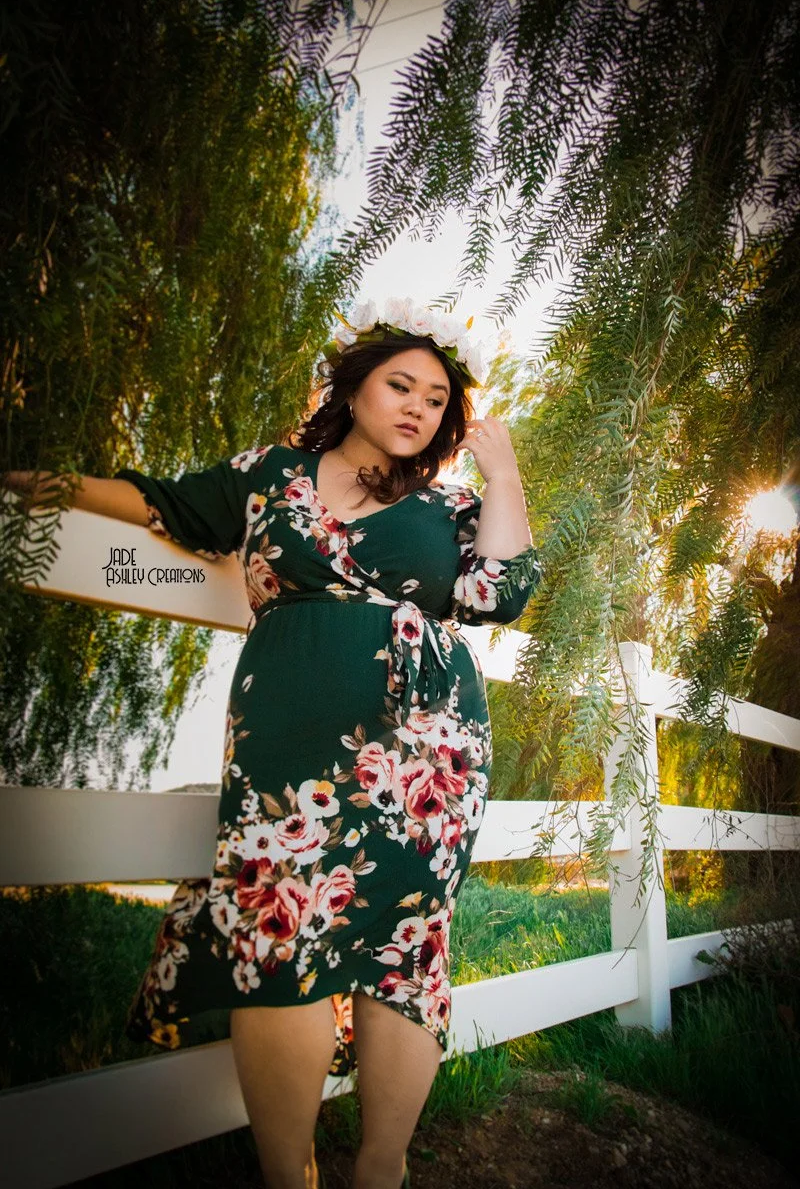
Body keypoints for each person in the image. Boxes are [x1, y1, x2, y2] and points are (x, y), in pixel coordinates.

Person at [4, 298, 542, 1189]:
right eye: (399, 384)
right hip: (286, 732)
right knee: (275, 936)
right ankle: (287, 1173)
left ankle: (381, 1171)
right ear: (355, 388)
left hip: (426, 749)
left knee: (404, 946)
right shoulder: (270, 474)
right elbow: (162, 503)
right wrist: (56, 487)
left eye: (437, 399)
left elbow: (500, 593)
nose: (417, 406)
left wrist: (504, 470)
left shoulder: (447, 506)